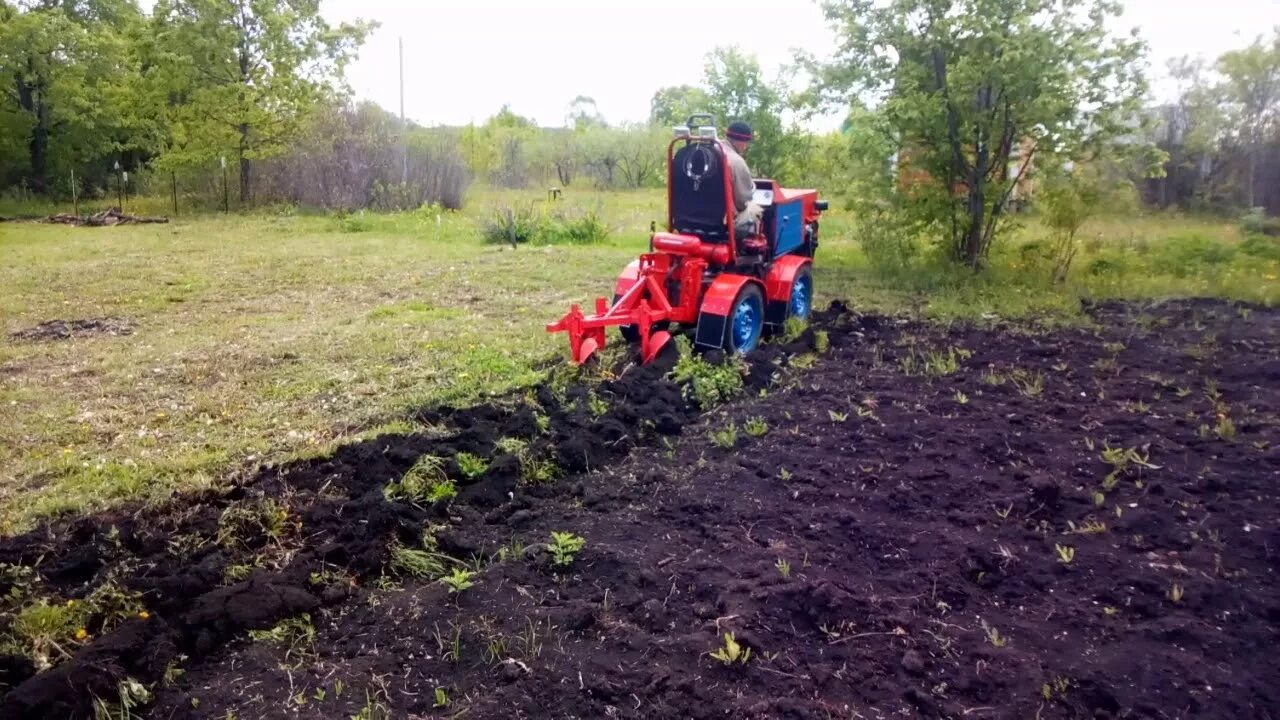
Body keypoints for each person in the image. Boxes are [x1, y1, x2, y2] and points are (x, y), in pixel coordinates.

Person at [721, 120, 763, 235]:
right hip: (723, 221)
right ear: (742, 142)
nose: (746, 147)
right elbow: (742, 202)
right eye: (747, 143)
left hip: (696, 218)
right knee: (755, 209)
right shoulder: (736, 162)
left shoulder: (707, 151)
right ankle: (754, 249)